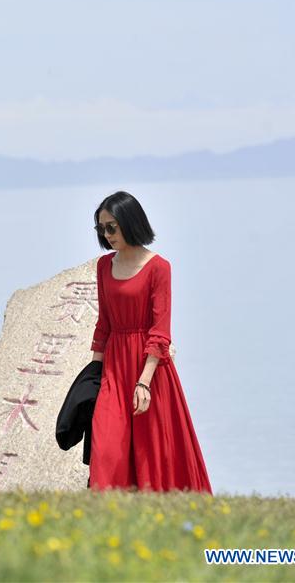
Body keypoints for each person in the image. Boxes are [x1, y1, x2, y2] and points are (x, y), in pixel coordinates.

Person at [88, 191, 212, 494]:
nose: (106, 234)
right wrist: (91, 377)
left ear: (130, 222)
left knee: (153, 453)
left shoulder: (159, 267)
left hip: (150, 371)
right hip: (114, 370)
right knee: (105, 448)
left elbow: (160, 331)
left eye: (112, 227)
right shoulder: (104, 267)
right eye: (101, 228)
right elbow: (103, 325)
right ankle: (103, 517)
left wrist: (144, 382)